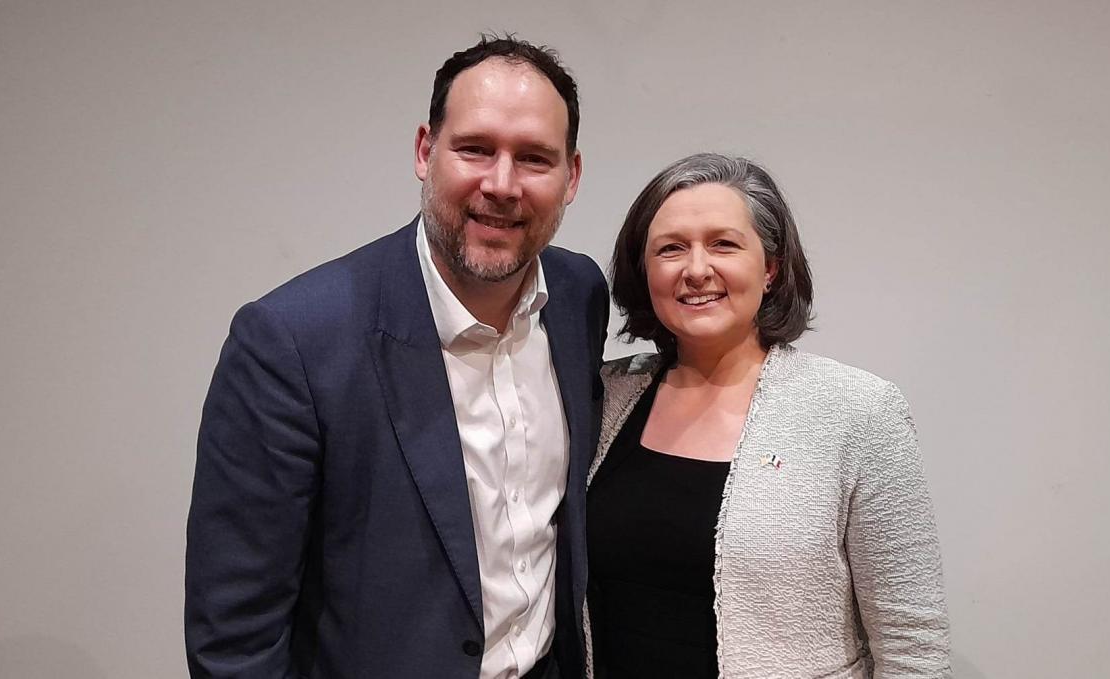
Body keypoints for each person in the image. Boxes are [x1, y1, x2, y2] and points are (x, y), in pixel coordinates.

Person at [185, 35, 608, 679]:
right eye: (474, 148)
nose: (502, 184)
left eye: (534, 159)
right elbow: (235, 635)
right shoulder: (292, 341)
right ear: (424, 150)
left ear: (571, 176)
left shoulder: (578, 297)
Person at [584, 153, 951, 678]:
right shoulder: (602, 394)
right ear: (645, 272)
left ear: (771, 267)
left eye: (723, 244)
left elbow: (912, 644)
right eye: (670, 249)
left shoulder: (859, 412)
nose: (696, 269)